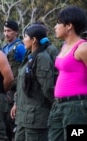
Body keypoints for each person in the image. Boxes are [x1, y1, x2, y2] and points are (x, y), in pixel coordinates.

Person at [48, 6, 87, 141]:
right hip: (58, 106)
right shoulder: (64, 46)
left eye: (58, 23)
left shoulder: (83, 48)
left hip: (77, 108)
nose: (55, 27)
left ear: (69, 26)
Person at [10, 25, 55, 141]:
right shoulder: (29, 57)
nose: (23, 40)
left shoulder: (42, 58)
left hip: (36, 117)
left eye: (25, 37)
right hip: (23, 116)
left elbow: (48, 88)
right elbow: (21, 84)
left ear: (34, 40)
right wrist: (16, 103)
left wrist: (54, 110)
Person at [2, 20, 26, 141]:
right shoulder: (4, 47)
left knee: (13, 120)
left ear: (15, 32)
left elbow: (25, 65)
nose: (6, 33)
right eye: (5, 31)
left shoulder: (20, 47)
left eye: (9, 31)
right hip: (5, 88)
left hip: (16, 88)